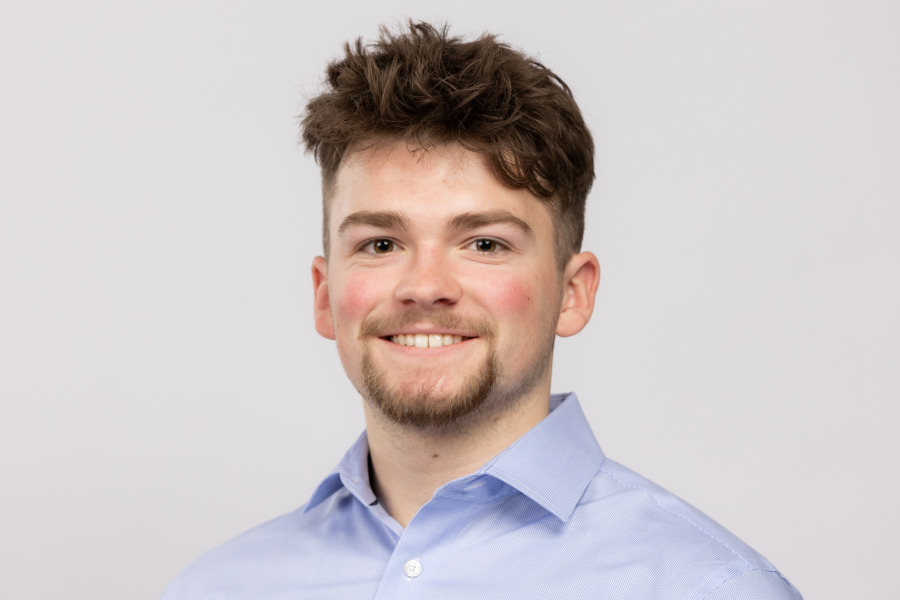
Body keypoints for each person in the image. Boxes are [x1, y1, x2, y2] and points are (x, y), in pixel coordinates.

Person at [160, 22, 802, 599]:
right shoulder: (215, 588)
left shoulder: (712, 588)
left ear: (572, 293)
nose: (425, 285)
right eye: (381, 243)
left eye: (485, 243)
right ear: (326, 296)